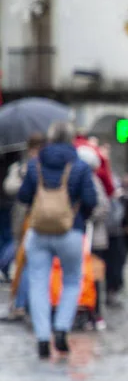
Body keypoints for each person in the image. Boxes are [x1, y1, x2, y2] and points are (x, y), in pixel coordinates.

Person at [17, 122, 97, 359]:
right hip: (70, 230)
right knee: (72, 281)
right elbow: (91, 199)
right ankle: (62, 327)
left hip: (39, 231)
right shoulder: (80, 166)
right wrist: (79, 215)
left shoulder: (35, 164)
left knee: (38, 282)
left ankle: (42, 336)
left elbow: (23, 196)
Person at [4, 133, 45, 319]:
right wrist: (21, 176)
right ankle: (21, 302)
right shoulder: (22, 167)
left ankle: (22, 303)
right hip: (25, 219)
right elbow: (10, 187)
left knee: (27, 262)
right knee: (24, 261)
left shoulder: (41, 166)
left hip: (35, 220)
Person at [77, 145, 110, 330]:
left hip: (94, 238)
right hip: (85, 238)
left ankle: (95, 312)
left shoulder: (93, 181)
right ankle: (85, 310)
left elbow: (103, 207)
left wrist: (87, 216)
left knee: (95, 277)